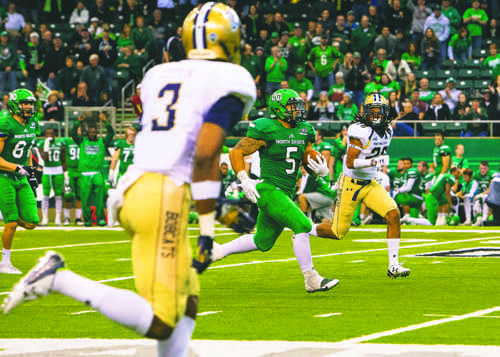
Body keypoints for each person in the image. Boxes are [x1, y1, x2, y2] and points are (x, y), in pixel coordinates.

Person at [2, 5, 256, 357]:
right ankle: (58, 278)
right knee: (163, 319)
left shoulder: (158, 75)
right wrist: (212, 223)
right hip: (162, 194)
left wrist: (211, 223)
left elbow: (190, 143)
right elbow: (205, 152)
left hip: (136, 188)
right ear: (229, 40)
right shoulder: (233, 79)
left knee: (189, 297)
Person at [212, 88, 338, 292]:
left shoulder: (304, 129)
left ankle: (219, 250)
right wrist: (244, 179)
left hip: (286, 191)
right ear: (278, 109)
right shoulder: (266, 128)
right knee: (302, 225)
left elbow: (306, 158)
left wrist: (320, 170)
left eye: (298, 106)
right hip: (269, 188)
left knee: (263, 240)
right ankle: (311, 279)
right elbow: (237, 152)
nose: (296, 110)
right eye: (291, 106)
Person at [314, 93, 410, 278]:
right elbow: (350, 162)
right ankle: (305, 228)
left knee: (393, 214)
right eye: (372, 111)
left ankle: (394, 265)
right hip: (351, 183)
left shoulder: (388, 129)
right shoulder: (360, 130)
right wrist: (373, 162)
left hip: (370, 183)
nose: (376, 115)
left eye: (379, 111)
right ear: (365, 113)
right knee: (337, 232)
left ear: (386, 113)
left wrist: (374, 163)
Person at [0, 89, 39, 274]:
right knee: (12, 222)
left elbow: (26, 149)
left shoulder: (32, 123)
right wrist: (16, 167)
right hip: (4, 175)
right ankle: (5, 262)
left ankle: (12, 219)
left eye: (31, 103)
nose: (29, 107)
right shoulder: (5, 123)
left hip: (21, 175)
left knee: (31, 222)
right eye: (25, 103)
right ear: (15, 104)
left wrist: (30, 171)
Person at [71, 113, 114, 226]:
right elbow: (73, 134)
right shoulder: (82, 141)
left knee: (99, 198)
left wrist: (106, 122)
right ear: (87, 133)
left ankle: (100, 218)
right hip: (84, 173)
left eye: (94, 132)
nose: (92, 134)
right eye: (90, 132)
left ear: (96, 133)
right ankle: (87, 219)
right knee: (85, 199)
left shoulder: (102, 142)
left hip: (97, 173)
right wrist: (78, 122)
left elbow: (111, 133)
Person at [37, 127, 66, 226]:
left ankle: (58, 217)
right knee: (45, 194)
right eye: (48, 134)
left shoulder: (60, 143)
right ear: (45, 135)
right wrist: (46, 145)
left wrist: (65, 173)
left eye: (52, 134)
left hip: (58, 169)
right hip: (47, 170)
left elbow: (63, 159)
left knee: (58, 194)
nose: (50, 136)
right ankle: (45, 218)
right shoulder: (42, 143)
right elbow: (45, 158)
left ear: (55, 134)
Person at [62, 132, 83, 225]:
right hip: (70, 170)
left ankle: (78, 218)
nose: (80, 131)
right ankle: (66, 217)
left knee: (80, 195)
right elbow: (62, 154)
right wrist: (65, 171)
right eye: (78, 129)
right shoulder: (67, 141)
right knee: (68, 195)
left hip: (80, 170)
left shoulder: (83, 141)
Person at [472, 161, 494, 226]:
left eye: (484, 168)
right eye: (481, 168)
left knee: (485, 198)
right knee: (476, 203)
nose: (482, 170)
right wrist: (473, 195)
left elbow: (490, 189)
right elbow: (474, 187)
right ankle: (477, 219)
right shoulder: (477, 175)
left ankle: (484, 219)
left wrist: (482, 194)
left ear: (488, 169)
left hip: (490, 195)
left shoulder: (491, 175)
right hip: (480, 194)